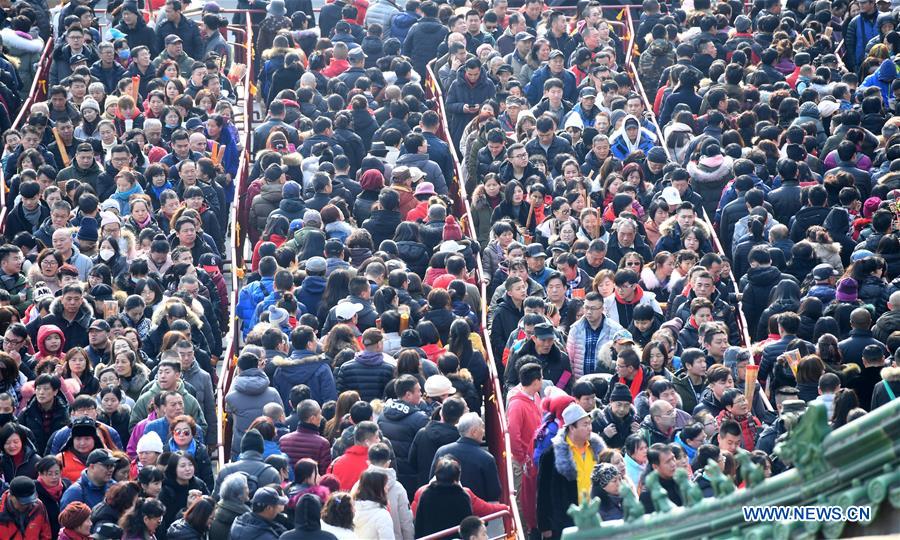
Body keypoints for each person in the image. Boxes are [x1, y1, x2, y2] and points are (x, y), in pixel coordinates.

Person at [537, 402, 606, 540]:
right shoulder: (552, 454)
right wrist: (545, 525)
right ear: (571, 428)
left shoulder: (596, 449)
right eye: (585, 425)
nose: (590, 428)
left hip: (596, 516)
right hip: (567, 521)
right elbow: (543, 491)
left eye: (589, 423)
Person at [430, 412, 501, 502]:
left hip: (443, 505)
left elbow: (432, 480)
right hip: (476, 512)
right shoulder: (486, 458)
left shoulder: (442, 451)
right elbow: (494, 493)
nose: (483, 431)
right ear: (474, 432)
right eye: (482, 427)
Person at [352, 470, 394, 539]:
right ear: (377, 489)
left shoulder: (351, 510)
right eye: (385, 485)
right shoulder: (382, 515)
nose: (387, 487)